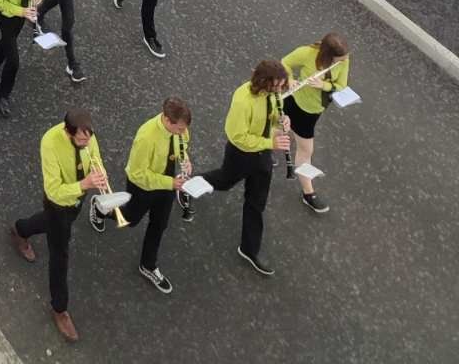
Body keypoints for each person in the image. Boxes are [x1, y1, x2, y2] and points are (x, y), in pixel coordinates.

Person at [8, 109, 107, 344]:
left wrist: (99, 172)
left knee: (49, 225)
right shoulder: (50, 143)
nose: (86, 143)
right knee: (60, 256)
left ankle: (20, 229)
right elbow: (53, 191)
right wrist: (84, 184)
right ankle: (59, 309)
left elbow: (95, 156)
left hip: (76, 200)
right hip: (58, 204)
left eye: (88, 138)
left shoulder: (87, 136)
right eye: (81, 140)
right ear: (67, 132)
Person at [91, 97, 193, 295]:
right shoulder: (146, 137)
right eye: (180, 129)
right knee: (130, 219)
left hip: (167, 182)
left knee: (160, 223)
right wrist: (170, 183)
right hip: (142, 187)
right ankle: (100, 207)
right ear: (167, 120)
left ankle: (148, 265)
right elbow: (138, 174)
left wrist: (185, 160)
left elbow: (182, 146)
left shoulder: (180, 129)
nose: (183, 132)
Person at [200, 59, 291, 276]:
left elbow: (273, 118)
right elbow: (237, 136)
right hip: (241, 154)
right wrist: (271, 143)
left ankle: (249, 249)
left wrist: (281, 123)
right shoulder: (243, 100)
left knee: (256, 203)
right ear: (263, 81)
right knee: (224, 181)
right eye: (275, 86)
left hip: (262, 155)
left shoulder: (274, 93)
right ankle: (188, 185)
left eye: (281, 87)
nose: (279, 91)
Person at [280, 33, 350, 215]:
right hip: (298, 105)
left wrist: (323, 86)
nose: (344, 61)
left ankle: (265, 151)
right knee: (305, 152)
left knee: (278, 129)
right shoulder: (306, 53)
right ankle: (308, 193)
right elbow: (284, 63)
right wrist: (289, 79)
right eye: (339, 58)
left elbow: (342, 85)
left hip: (315, 110)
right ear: (327, 55)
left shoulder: (344, 59)